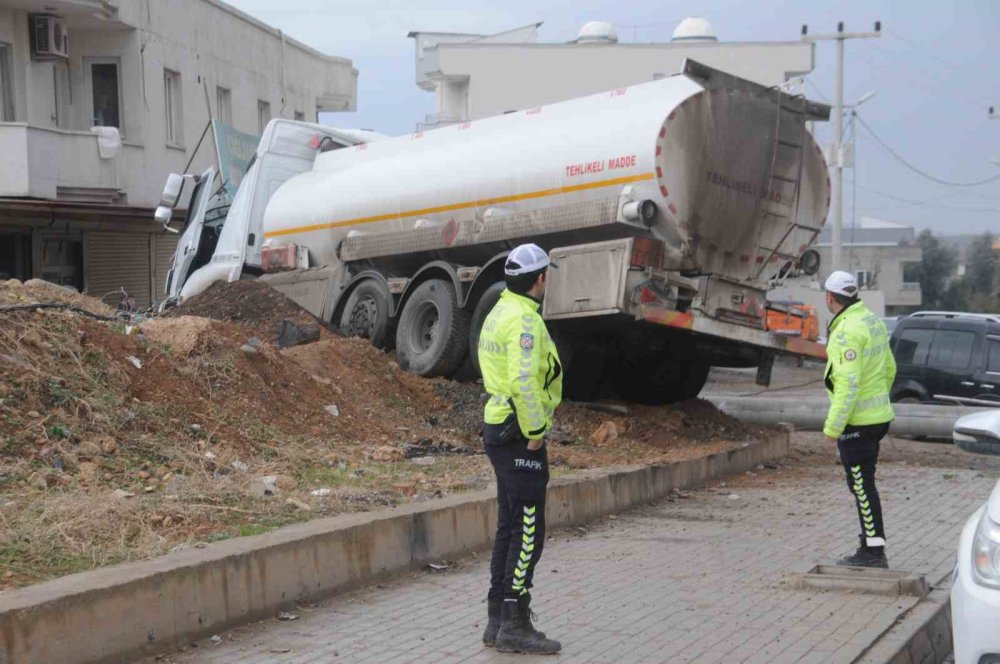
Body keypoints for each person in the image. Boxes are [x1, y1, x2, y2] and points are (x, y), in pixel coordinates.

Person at [477, 243, 563, 655]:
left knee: (509, 526)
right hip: (518, 432)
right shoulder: (525, 322)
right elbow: (525, 381)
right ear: (539, 279)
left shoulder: (500, 308)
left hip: (498, 426)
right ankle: (515, 623)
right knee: (529, 530)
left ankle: (497, 618)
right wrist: (536, 431)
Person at [822, 270, 896, 568]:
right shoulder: (872, 320)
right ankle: (871, 546)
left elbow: (847, 384)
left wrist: (833, 428)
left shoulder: (847, 330)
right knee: (864, 484)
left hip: (858, 423)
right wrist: (878, 402)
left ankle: (873, 552)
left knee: (862, 486)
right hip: (877, 418)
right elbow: (890, 368)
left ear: (829, 297)